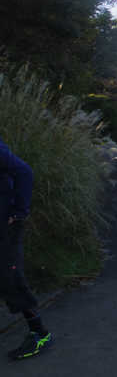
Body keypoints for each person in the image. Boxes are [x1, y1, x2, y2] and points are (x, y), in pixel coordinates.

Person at [0, 136, 52, 361]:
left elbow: (24, 172)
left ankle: (40, 333)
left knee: (9, 277)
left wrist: (19, 213)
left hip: (6, 225)